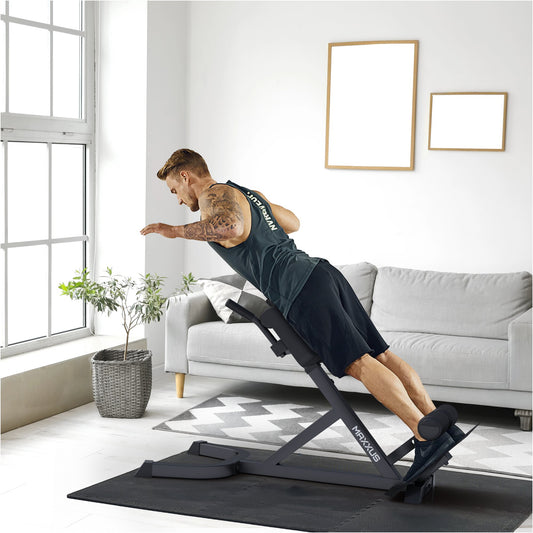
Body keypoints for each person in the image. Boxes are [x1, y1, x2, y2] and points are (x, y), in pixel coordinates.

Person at [141, 148, 461, 482]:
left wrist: (175, 230)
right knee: (382, 355)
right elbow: (292, 222)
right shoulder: (248, 194)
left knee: (358, 363)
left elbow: (232, 226)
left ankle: (425, 436)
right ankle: (437, 423)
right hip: (321, 272)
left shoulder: (212, 196)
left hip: (298, 288)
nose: (178, 199)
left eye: (174, 190)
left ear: (185, 176)